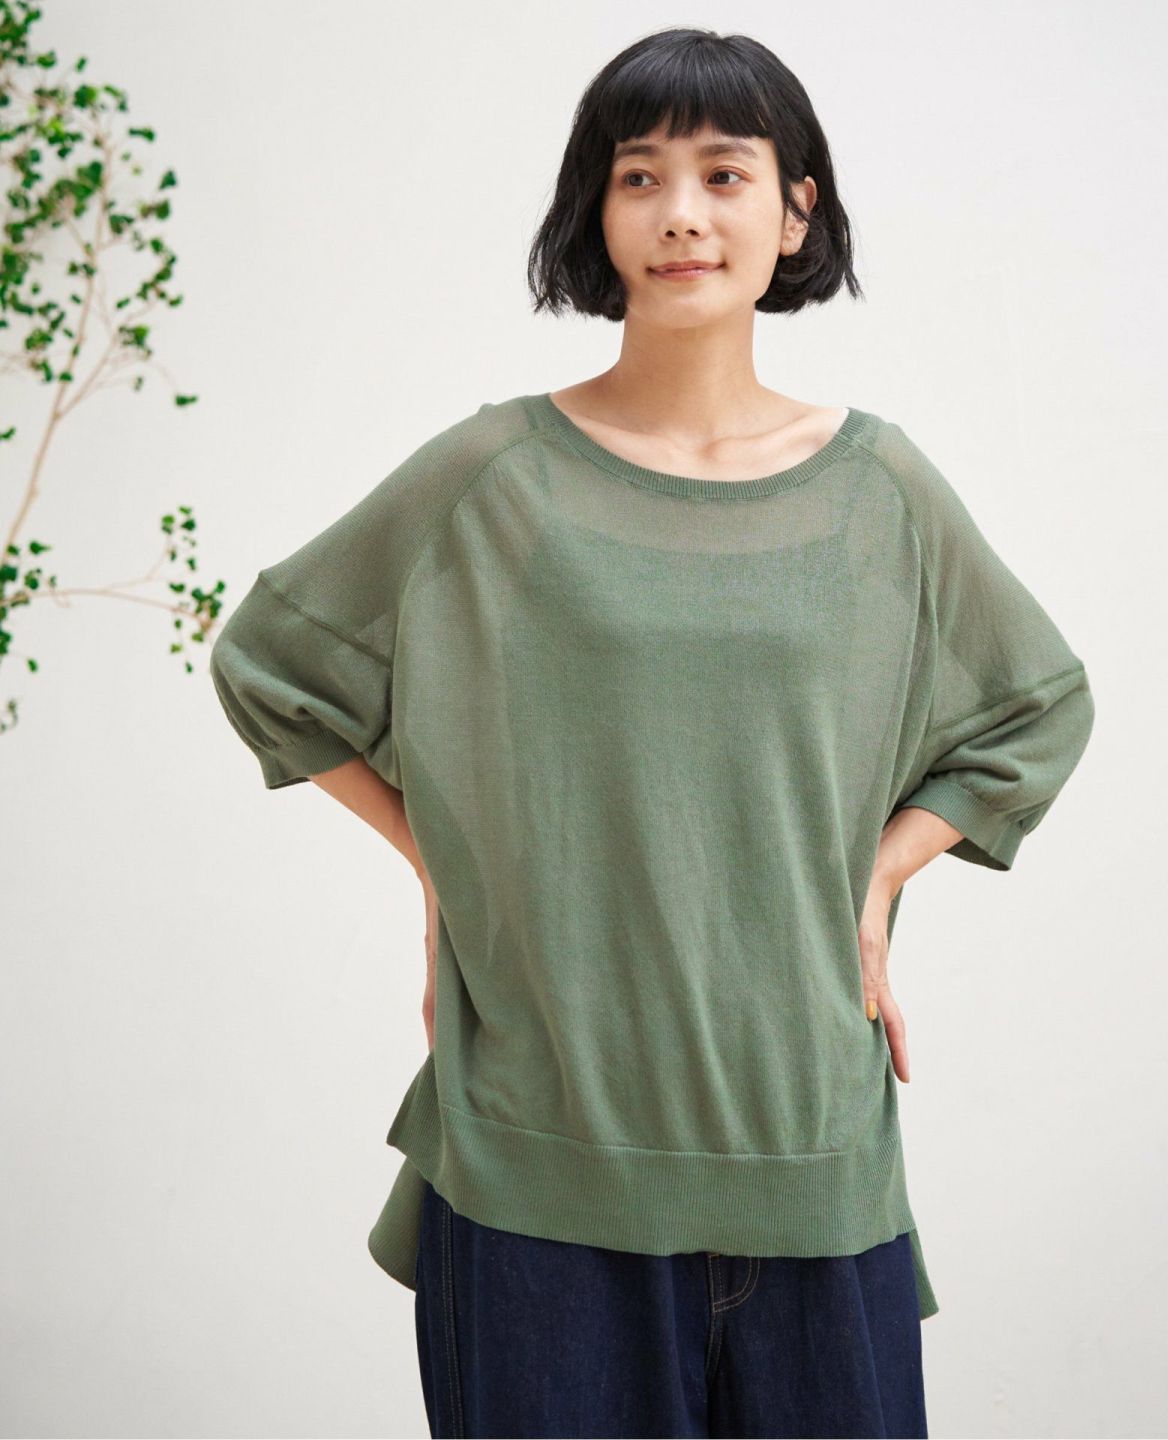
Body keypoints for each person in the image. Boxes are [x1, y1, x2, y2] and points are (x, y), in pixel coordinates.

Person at [208, 25, 1096, 1439]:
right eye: (640, 176)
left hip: (808, 1148)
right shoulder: (493, 478)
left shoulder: (880, 493)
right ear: (599, 211)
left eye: (724, 173)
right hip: (538, 1163)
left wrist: (880, 876)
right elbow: (272, 666)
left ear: (795, 209)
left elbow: (1035, 707)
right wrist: (443, 860)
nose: (682, 212)